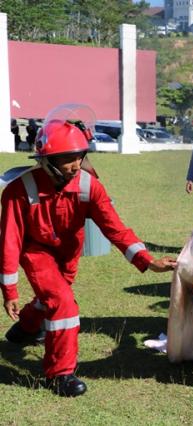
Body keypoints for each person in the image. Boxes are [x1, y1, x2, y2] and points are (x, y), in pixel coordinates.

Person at [1, 105, 177, 397]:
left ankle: (27, 327)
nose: (76, 164)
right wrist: (10, 291)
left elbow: (115, 229)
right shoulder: (18, 190)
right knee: (64, 305)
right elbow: (9, 241)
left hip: (69, 251)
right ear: (47, 160)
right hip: (36, 252)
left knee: (54, 299)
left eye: (80, 156)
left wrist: (148, 261)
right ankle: (60, 375)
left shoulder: (89, 186)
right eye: (69, 159)